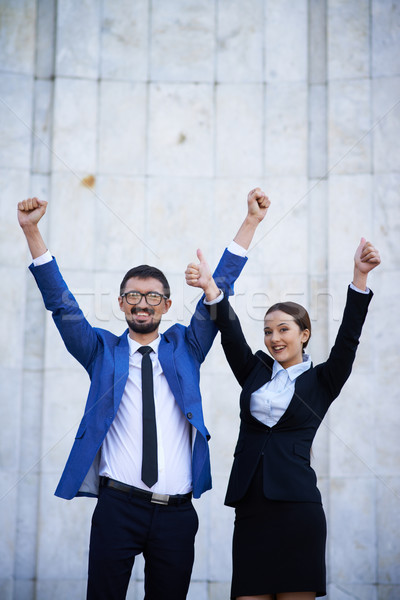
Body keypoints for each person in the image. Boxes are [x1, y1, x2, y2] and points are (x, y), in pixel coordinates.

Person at [17, 188, 269, 600]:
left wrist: (251, 222)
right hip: (118, 509)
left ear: (167, 304)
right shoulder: (100, 352)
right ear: (121, 303)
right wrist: (32, 233)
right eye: (134, 295)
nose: (143, 303)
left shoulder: (187, 347)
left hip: (177, 513)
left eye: (153, 297)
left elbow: (219, 285)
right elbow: (62, 305)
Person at [186, 215, 381, 600]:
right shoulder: (255, 371)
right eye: (269, 331)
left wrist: (359, 279)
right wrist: (211, 288)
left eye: (284, 329)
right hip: (252, 508)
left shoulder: (324, 380)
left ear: (304, 334)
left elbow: (349, 338)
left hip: (298, 509)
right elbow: (230, 332)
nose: (274, 338)